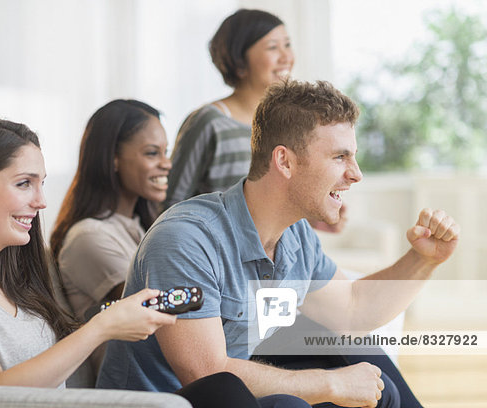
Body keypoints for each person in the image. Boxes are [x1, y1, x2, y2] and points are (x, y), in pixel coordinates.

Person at [0, 116, 309, 408]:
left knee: (256, 397)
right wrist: (100, 329)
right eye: (23, 184)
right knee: (226, 395)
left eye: (41, 183)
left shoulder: (12, 275)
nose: (41, 201)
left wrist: (114, 317)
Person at [96, 80, 460, 407]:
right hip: (167, 403)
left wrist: (423, 259)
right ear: (284, 161)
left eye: (354, 155)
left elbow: (352, 309)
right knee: (291, 402)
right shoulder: (186, 239)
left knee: (357, 358)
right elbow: (208, 375)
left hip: (233, 395)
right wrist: (328, 384)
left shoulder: (297, 236)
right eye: (339, 156)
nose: (355, 173)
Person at [163, 8, 345, 233]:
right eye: (272, 47)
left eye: (287, 45)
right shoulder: (209, 122)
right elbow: (171, 206)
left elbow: (270, 206)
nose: (286, 57)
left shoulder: (288, 128)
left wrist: (312, 219)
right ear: (239, 61)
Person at [50, 100, 171, 322]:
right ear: (113, 159)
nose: (167, 163)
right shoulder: (89, 236)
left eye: (166, 152)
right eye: (153, 153)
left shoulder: (141, 226)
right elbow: (158, 311)